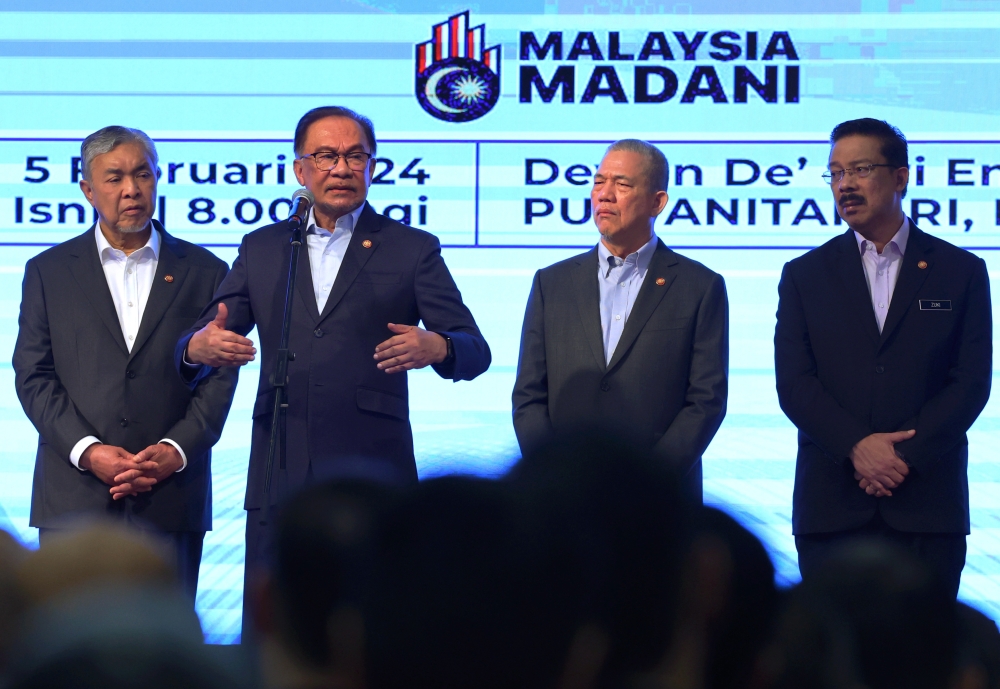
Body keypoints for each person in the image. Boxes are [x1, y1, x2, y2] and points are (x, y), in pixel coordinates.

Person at [177, 106, 491, 632]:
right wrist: (197, 348)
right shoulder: (264, 247)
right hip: (279, 463)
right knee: (273, 625)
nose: (341, 168)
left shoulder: (411, 249)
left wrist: (438, 345)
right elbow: (209, 331)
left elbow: (474, 348)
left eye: (355, 156)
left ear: (373, 166)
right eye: (326, 155)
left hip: (372, 469)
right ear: (301, 169)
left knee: (374, 624)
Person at [12, 126, 237, 601]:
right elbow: (34, 376)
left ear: (158, 179)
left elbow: (218, 378)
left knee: (165, 663)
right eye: (114, 178)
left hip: (170, 498)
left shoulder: (207, 271)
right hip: (73, 499)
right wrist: (90, 451)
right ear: (88, 191)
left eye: (142, 174)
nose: (131, 189)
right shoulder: (48, 272)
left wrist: (174, 451)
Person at [774, 118, 992, 599]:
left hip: (926, 505)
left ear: (900, 177)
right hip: (831, 505)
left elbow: (970, 383)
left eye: (860, 169)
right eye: (834, 173)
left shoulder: (960, 271)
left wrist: (899, 458)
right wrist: (857, 446)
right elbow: (795, 384)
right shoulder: (804, 275)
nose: (845, 184)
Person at [512, 138, 729, 499]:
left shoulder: (699, 286)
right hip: (563, 502)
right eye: (598, 182)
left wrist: (648, 482)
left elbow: (705, 401)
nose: (605, 195)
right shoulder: (551, 283)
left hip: (658, 503)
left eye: (622, 184)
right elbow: (529, 395)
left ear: (657, 202)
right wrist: (550, 474)